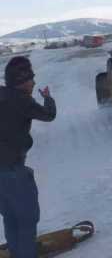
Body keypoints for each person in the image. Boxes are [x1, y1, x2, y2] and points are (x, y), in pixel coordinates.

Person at [0, 56, 56, 258]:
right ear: (20, 81)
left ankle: (17, 252)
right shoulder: (22, 100)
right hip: (12, 170)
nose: (33, 82)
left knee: (11, 216)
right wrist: (48, 98)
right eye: (30, 79)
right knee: (26, 218)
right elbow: (49, 115)